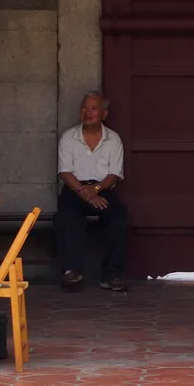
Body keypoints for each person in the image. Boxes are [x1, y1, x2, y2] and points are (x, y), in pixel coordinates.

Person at [54, 91, 129, 291]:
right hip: (74, 189)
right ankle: (71, 271)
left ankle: (111, 275)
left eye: (94, 108)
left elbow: (114, 173)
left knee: (118, 217)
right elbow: (64, 171)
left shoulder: (113, 139)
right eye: (85, 108)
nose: (88, 112)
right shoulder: (69, 137)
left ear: (104, 114)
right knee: (67, 216)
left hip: (102, 189)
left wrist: (95, 189)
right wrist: (84, 192)